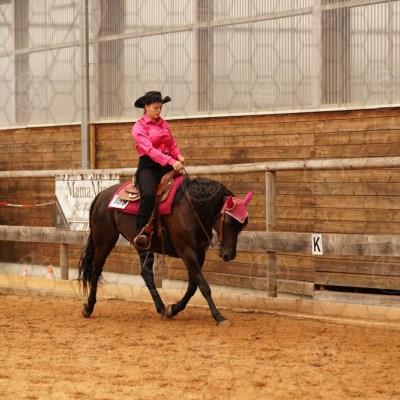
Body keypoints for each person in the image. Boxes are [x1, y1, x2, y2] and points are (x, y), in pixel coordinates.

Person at [132, 91, 185, 249]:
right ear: (146, 107)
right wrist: (171, 161)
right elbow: (149, 150)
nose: (159, 111)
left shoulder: (163, 124)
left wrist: (178, 155)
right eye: (155, 107)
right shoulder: (139, 127)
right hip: (149, 166)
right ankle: (141, 232)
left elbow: (171, 144)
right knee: (149, 195)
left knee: (184, 187)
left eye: (160, 107)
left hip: (167, 163)